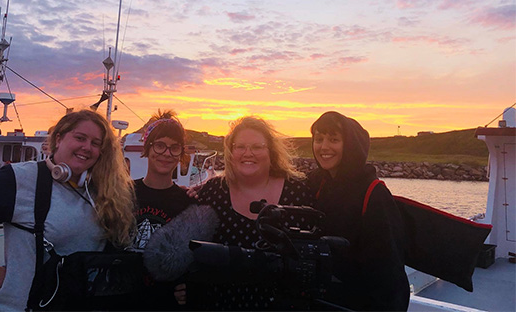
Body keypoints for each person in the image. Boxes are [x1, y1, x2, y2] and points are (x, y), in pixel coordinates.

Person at [0, 109, 136, 311]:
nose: (87, 147)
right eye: (80, 138)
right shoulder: (22, 179)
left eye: (96, 143)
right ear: (58, 139)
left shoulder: (103, 191)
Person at [189, 116, 317, 310]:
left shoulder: (298, 192)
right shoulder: (213, 191)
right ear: (231, 152)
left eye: (257, 147)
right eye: (240, 147)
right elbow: (192, 246)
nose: (248, 153)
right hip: (219, 303)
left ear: (271, 152)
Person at [308, 111, 409, 311]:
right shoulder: (315, 183)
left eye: (334, 139)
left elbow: (389, 271)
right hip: (320, 299)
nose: (324, 147)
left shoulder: (374, 194)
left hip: (358, 303)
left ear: (351, 145)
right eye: (318, 139)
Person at [130, 109, 197, 310]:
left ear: (180, 154)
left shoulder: (189, 203)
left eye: (174, 148)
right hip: (123, 299)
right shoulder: (123, 194)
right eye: (159, 146)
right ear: (147, 148)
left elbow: (193, 258)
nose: (166, 154)